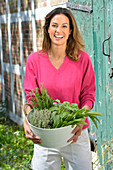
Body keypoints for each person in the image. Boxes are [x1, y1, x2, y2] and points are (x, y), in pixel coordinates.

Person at [24, 7, 96, 170]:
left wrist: (80, 120)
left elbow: (88, 96)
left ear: (71, 30)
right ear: (48, 28)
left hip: (75, 133)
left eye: (64, 26)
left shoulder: (82, 59)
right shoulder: (34, 61)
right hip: (46, 135)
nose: (59, 30)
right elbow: (31, 100)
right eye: (55, 25)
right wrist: (28, 120)